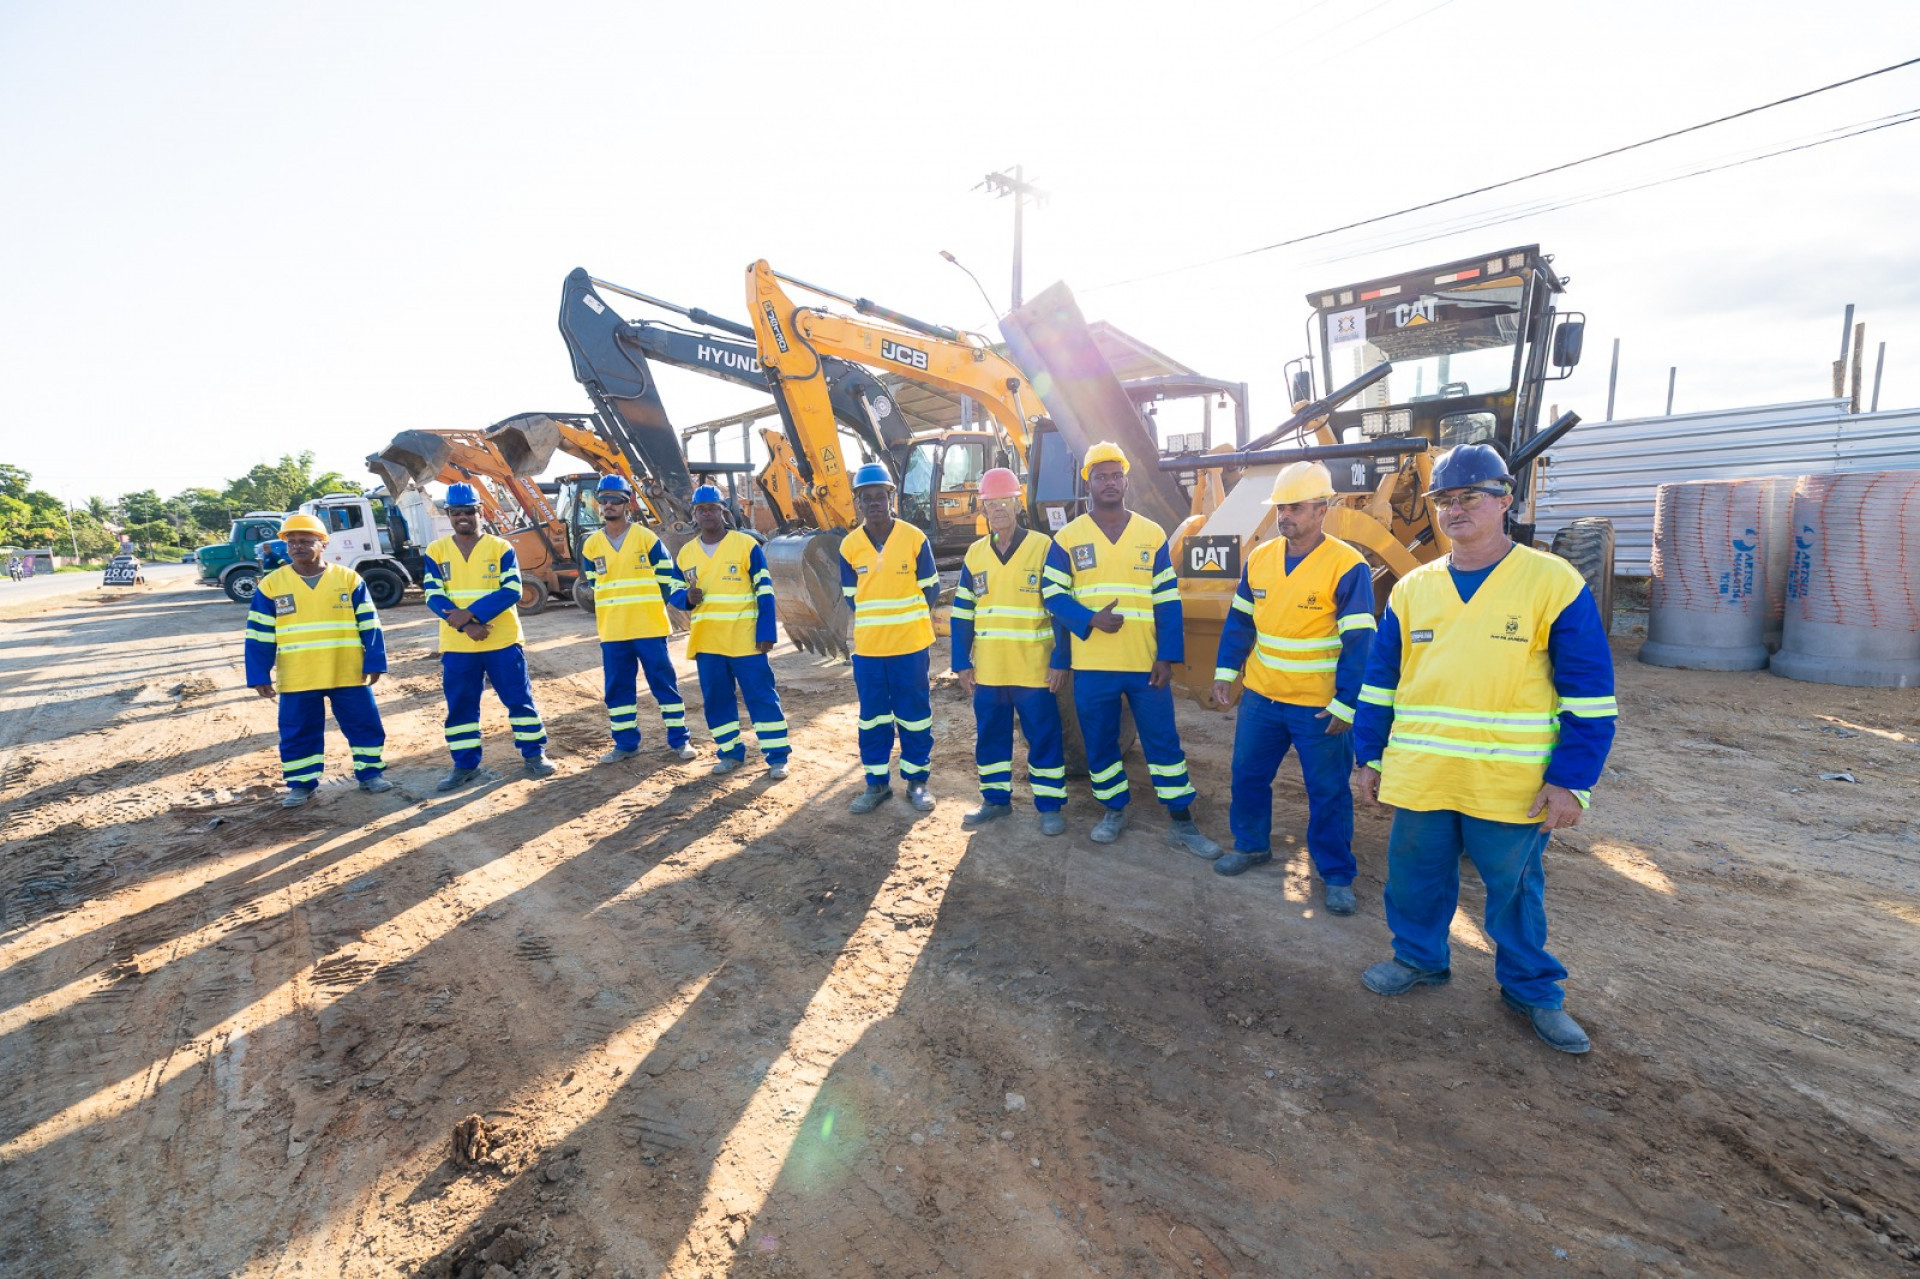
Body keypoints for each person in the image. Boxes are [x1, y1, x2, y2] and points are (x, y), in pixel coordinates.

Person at [1352, 442, 1617, 1054]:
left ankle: (1532, 990)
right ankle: (1418, 959)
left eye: (1469, 496)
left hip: (1509, 784)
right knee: (1414, 881)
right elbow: (1379, 684)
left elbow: (1591, 696)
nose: (1454, 509)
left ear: (1504, 501)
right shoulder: (1412, 589)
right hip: (1424, 777)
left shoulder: (1552, 582)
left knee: (1516, 892)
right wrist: (1368, 758)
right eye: (1443, 499)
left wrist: (1572, 780)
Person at [1209, 462, 1376, 912]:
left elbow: (1361, 641)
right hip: (1262, 698)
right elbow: (1240, 622)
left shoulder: (1347, 566)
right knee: (1247, 775)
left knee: (1328, 792)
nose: (1285, 516)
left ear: (1322, 510)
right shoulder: (1260, 559)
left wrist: (1348, 704)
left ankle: (1337, 873)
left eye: (1296, 507)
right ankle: (1250, 844)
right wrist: (1227, 672)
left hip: (1318, 707)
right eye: (1281, 507)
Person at [1042, 442, 1221, 857]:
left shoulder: (1151, 533)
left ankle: (1182, 821)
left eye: (1115, 475)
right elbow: (1051, 592)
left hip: (1145, 666)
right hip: (1093, 667)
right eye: (1100, 475)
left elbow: (1167, 600)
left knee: (1164, 744)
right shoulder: (1068, 537)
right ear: (1089, 482)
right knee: (1101, 744)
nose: (1109, 482)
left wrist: (1167, 656)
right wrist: (1089, 619)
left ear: (1125, 480)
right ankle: (1114, 811)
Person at [243, 512, 391, 808]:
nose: (298, 546)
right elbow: (259, 632)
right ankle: (301, 784)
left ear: (322, 543)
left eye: (306, 540)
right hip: (298, 676)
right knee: (298, 730)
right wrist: (258, 673)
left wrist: (374, 660)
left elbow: (369, 623)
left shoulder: (348, 579)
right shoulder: (272, 585)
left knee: (364, 723)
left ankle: (370, 773)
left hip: (347, 671)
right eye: (291, 541)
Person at [952, 468, 1068, 835]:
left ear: (1018, 504)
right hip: (989, 670)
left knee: (1043, 736)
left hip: (1033, 669)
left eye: (1005, 501)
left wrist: (1061, 659)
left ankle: (1049, 806)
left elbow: (1061, 608)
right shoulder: (974, 555)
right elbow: (961, 614)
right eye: (990, 503)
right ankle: (995, 800)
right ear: (983, 508)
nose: (998, 509)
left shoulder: (1043, 547)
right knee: (990, 735)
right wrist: (960, 663)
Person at [421, 483, 556, 791]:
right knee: (461, 706)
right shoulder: (436, 551)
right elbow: (432, 594)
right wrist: (467, 626)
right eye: (455, 512)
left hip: (503, 641)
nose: (462, 517)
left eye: (468, 511)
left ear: (480, 512)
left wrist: (473, 616)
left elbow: (512, 590)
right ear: (449, 515)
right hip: (458, 644)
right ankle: (465, 766)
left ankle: (535, 756)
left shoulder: (500, 548)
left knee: (519, 700)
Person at [838, 462, 940, 814]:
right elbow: (852, 596)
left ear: (891, 498)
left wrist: (904, 622)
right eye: (867, 498)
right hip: (868, 651)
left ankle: (917, 781)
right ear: (858, 503)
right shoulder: (849, 547)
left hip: (910, 647)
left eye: (880, 496)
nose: (874, 503)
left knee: (914, 716)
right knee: (873, 718)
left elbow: (931, 588)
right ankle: (877, 783)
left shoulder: (914, 538)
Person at [675, 485, 790, 779]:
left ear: (723, 512)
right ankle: (729, 753)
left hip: (745, 641)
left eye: (713, 508)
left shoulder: (745, 546)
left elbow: (765, 591)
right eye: (702, 510)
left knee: (761, 697)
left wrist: (767, 632)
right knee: (716, 700)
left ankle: (777, 757)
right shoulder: (686, 553)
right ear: (694, 515)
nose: (708, 514)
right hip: (708, 643)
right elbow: (674, 590)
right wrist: (685, 599)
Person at [581, 474, 696, 764]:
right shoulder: (591, 545)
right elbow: (596, 585)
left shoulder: (647, 538)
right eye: (603, 500)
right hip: (613, 631)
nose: (608, 505)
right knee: (618, 690)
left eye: (615, 500)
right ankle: (625, 744)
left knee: (663, 684)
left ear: (627, 503)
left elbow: (667, 580)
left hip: (649, 627)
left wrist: (685, 602)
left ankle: (680, 741)